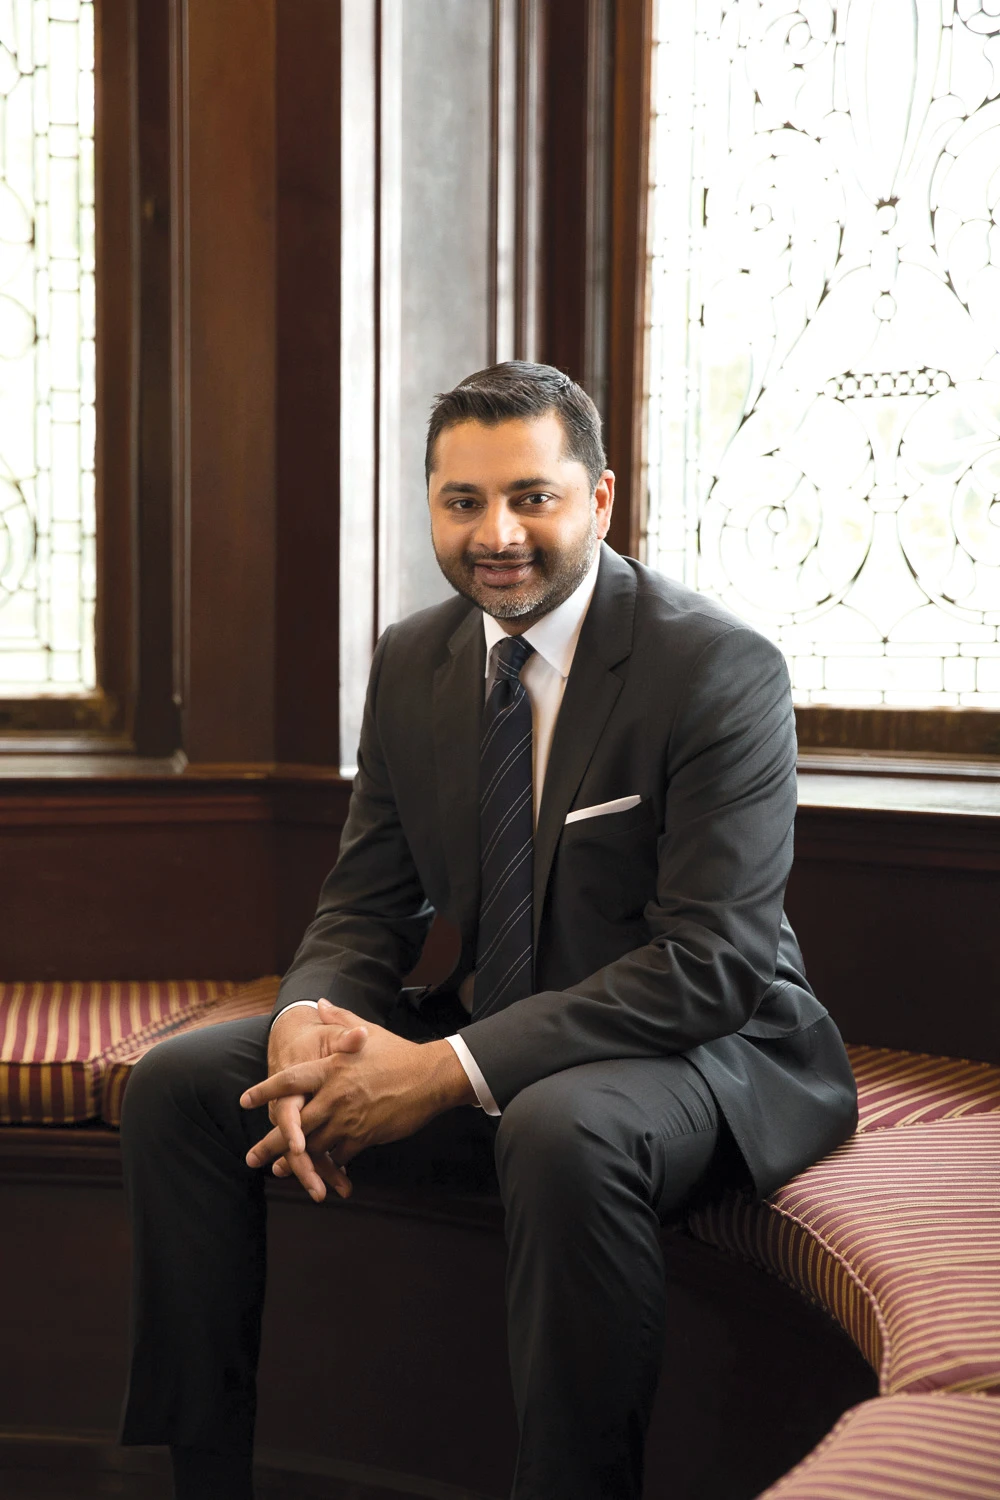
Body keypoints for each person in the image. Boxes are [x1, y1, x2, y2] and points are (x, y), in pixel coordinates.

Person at [120, 361, 858, 1500]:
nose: (496, 533)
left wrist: (447, 1069)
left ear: (600, 501)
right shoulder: (416, 657)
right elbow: (368, 902)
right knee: (181, 1081)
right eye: (462, 502)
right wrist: (310, 1021)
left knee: (560, 1129)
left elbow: (709, 967)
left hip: (699, 1056)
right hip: (501, 1033)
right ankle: (203, 1476)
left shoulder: (716, 668)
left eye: (532, 496)